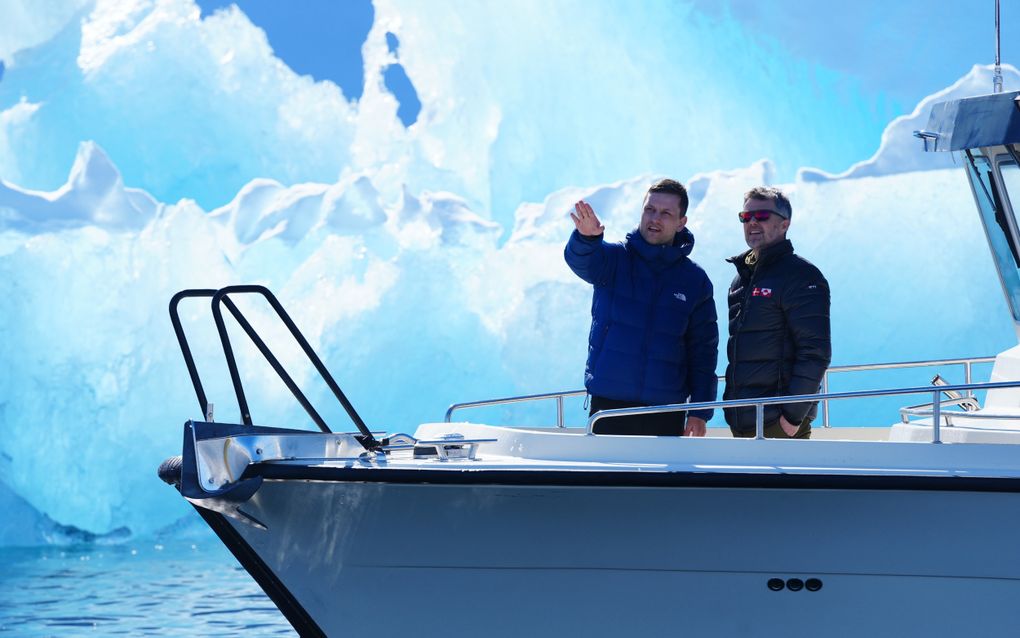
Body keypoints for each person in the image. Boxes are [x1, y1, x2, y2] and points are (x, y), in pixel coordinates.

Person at [564, 178, 718, 436]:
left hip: (665, 411)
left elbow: (703, 351)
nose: (655, 218)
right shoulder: (614, 260)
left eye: (666, 213)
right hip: (609, 407)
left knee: (660, 478)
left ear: (682, 222)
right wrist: (586, 239)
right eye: (650, 209)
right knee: (607, 476)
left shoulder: (695, 281)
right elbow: (582, 261)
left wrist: (700, 411)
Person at [723, 186, 831, 438]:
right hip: (743, 420)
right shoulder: (741, 279)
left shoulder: (801, 275)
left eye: (761, 216)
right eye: (745, 217)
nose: (752, 222)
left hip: (778, 424)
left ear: (785, 224)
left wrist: (792, 417)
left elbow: (816, 352)